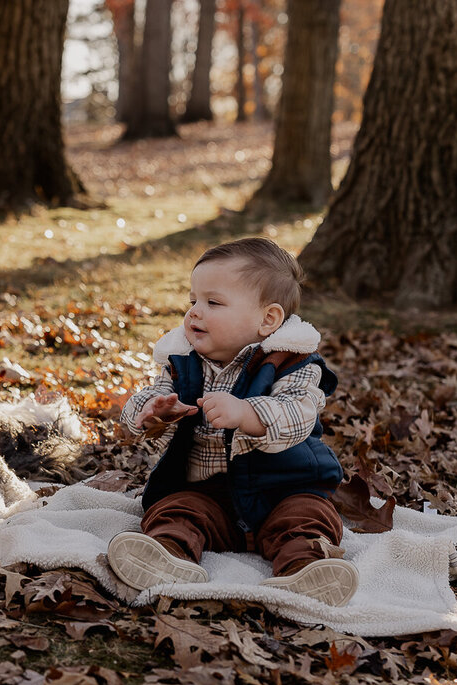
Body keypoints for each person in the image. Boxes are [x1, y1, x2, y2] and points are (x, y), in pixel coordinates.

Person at [107, 237, 358, 606]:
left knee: (309, 518)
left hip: (283, 489)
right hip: (209, 495)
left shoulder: (292, 364)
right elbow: (145, 400)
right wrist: (151, 412)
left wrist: (248, 413)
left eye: (213, 303)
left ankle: (304, 571)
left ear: (267, 319)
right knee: (176, 510)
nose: (195, 312)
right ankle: (167, 555)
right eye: (192, 301)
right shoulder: (182, 363)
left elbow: (297, 415)